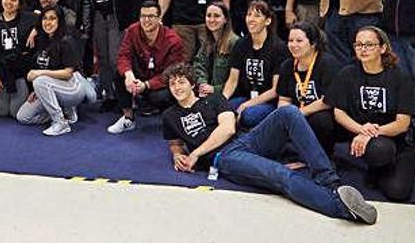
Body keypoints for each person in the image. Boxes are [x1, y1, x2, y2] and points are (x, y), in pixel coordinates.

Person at [161, 63, 377, 224]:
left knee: (288, 112)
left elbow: (227, 129)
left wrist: (195, 153)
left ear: (192, 84)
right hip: (224, 158)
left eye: (181, 82)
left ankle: (331, 183)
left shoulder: (214, 99)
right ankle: (341, 208)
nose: (177, 87)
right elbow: (175, 143)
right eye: (172, 83)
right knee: (278, 174)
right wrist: (177, 154)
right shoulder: (170, 115)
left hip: (244, 140)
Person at [326, 26, 415, 202]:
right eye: (359, 45)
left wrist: (369, 133)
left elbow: (402, 123)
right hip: (365, 133)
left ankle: (383, 166)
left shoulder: (400, 77)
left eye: (369, 45)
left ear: (383, 48)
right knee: (322, 120)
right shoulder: (348, 73)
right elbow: (339, 112)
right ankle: (372, 164)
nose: (363, 49)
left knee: (398, 192)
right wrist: (361, 129)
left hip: (394, 137)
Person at [108, 1, 187, 134]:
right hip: (140, 74)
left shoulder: (173, 40)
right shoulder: (132, 30)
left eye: (151, 16)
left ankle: (172, 120)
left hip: (161, 81)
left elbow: (171, 73)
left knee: (160, 97)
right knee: (119, 74)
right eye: (143, 16)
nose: (146, 20)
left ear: (159, 18)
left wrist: (146, 85)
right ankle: (128, 118)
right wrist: (129, 75)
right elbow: (123, 55)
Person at [16, 6, 93, 136]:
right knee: (23, 116)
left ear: (59, 21)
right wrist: (38, 91)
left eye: (52, 18)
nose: (48, 22)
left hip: (72, 87)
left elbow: (68, 73)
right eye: (45, 18)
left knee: (39, 80)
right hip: (52, 86)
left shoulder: (66, 40)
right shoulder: (42, 40)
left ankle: (61, 122)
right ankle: (63, 112)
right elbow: (45, 67)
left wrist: (39, 76)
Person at [277, 21, 341, 156]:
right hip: (298, 113)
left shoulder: (328, 63)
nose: (293, 45)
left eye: (299, 41)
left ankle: (323, 158)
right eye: (290, 41)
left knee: (321, 120)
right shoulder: (287, 66)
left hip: (321, 114)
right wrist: (285, 115)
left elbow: (327, 101)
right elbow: (284, 98)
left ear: (313, 43)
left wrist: (299, 113)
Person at [224, 0, 289, 129]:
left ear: (267, 21)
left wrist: (248, 104)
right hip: (246, 96)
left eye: (257, 16)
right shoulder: (241, 44)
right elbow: (232, 81)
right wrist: (221, 101)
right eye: (249, 15)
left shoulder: (279, 48)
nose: (251, 19)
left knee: (248, 116)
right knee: (225, 110)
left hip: (269, 101)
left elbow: (275, 90)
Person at [87, 0, 125, 112]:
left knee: (115, 59)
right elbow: (89, 0)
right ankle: (109, 95)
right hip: (99, 19)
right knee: (102, 59)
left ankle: (122, 97)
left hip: (116, 19)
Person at [0, 0, 36, 119]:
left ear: (20, 3)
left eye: (14, 0)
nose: (9, 2)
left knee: (15, 112)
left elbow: (45, 18)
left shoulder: (27, 18)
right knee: (2, 112)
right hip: (0, 72)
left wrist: (35, 30)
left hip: (19, 73)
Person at [193, 1, 239, 98]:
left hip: (230, 95)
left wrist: (215, 89)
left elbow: (238, 80)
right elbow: (199, 65)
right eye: (208, 16)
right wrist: (203, 84)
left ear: (226, 19)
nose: (212, 19)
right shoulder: (207, 42)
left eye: (217, 16)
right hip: (207, 93)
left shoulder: (235, 43)